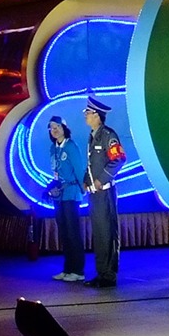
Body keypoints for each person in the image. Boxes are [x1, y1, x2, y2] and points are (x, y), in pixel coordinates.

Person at [82, 97, 126, 288]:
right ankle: (101, 273)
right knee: (99, 234)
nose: (86, 116)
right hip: (94, 194)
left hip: (105, 192)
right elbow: (92, 164)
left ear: (97, 116)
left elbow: (119, 158)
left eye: (88, 113)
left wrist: (101, 180)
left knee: (108, 233)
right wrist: (86, 181)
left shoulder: (108, 135)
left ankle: (109, 275)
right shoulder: (93, 136)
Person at [47, 116, 87, 282]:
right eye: (51, 127)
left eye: (57, 126)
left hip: (71, 193)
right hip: (59, 196)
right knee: (64, 232)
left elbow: (79, 169)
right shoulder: (54, 148)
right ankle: (68, 268)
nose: (54, 130)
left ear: (64, 128)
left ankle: (77, 270)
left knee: (72, 232)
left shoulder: (70, 146)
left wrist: (83, 189)